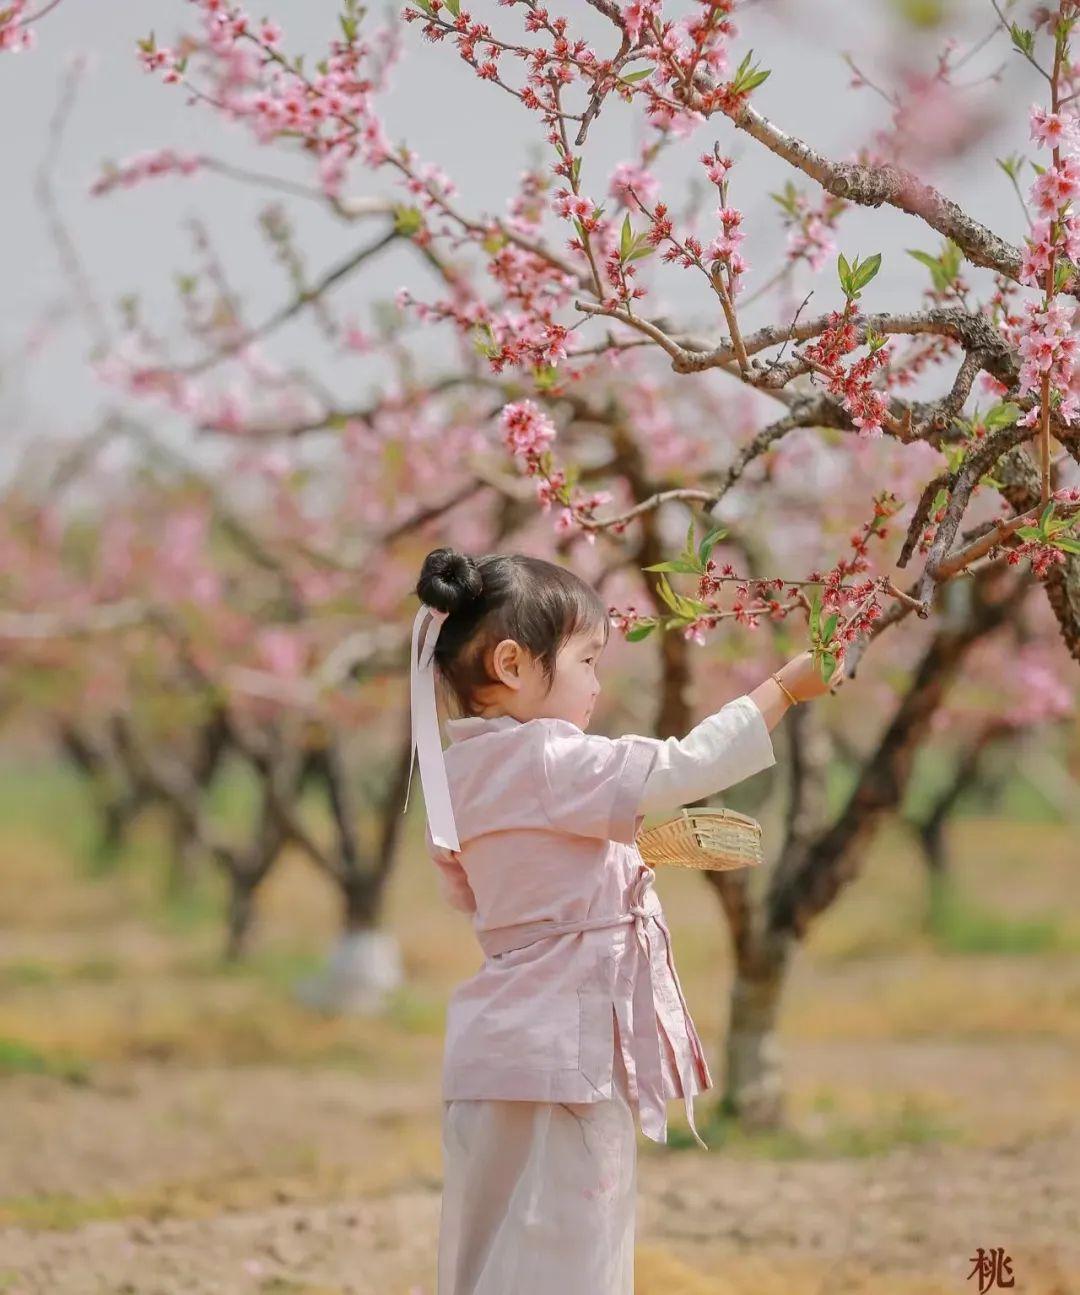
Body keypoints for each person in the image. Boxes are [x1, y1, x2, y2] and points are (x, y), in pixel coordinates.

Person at [403, 546, 837, 1295]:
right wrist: (783, 690)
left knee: (488, 1257)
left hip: (494, 1055)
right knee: (576, 1260)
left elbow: (508, 893)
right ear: (512, 664)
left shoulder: (460, 772)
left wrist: (622, 863)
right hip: (568, 1059)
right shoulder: (547, 755)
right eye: (587, 660)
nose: (597, 685)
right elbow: (681, 768)